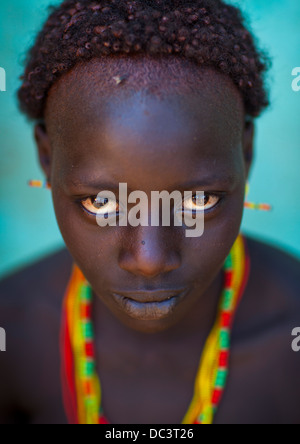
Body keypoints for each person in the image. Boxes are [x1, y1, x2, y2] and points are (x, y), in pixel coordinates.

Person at [0, 0, 299, 425]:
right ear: (47, 159)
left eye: (199, 201)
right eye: (102, 203)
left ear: (246, 154)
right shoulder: (12, 336)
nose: (149, 260)